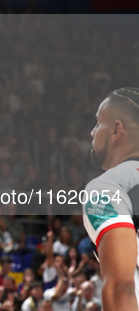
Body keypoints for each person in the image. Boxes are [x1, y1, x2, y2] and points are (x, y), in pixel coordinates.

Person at [82, 87, 139, 310]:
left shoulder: (108, 187)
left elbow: (120, 286)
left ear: (116, 130)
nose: (92, 132)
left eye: (98, 123)